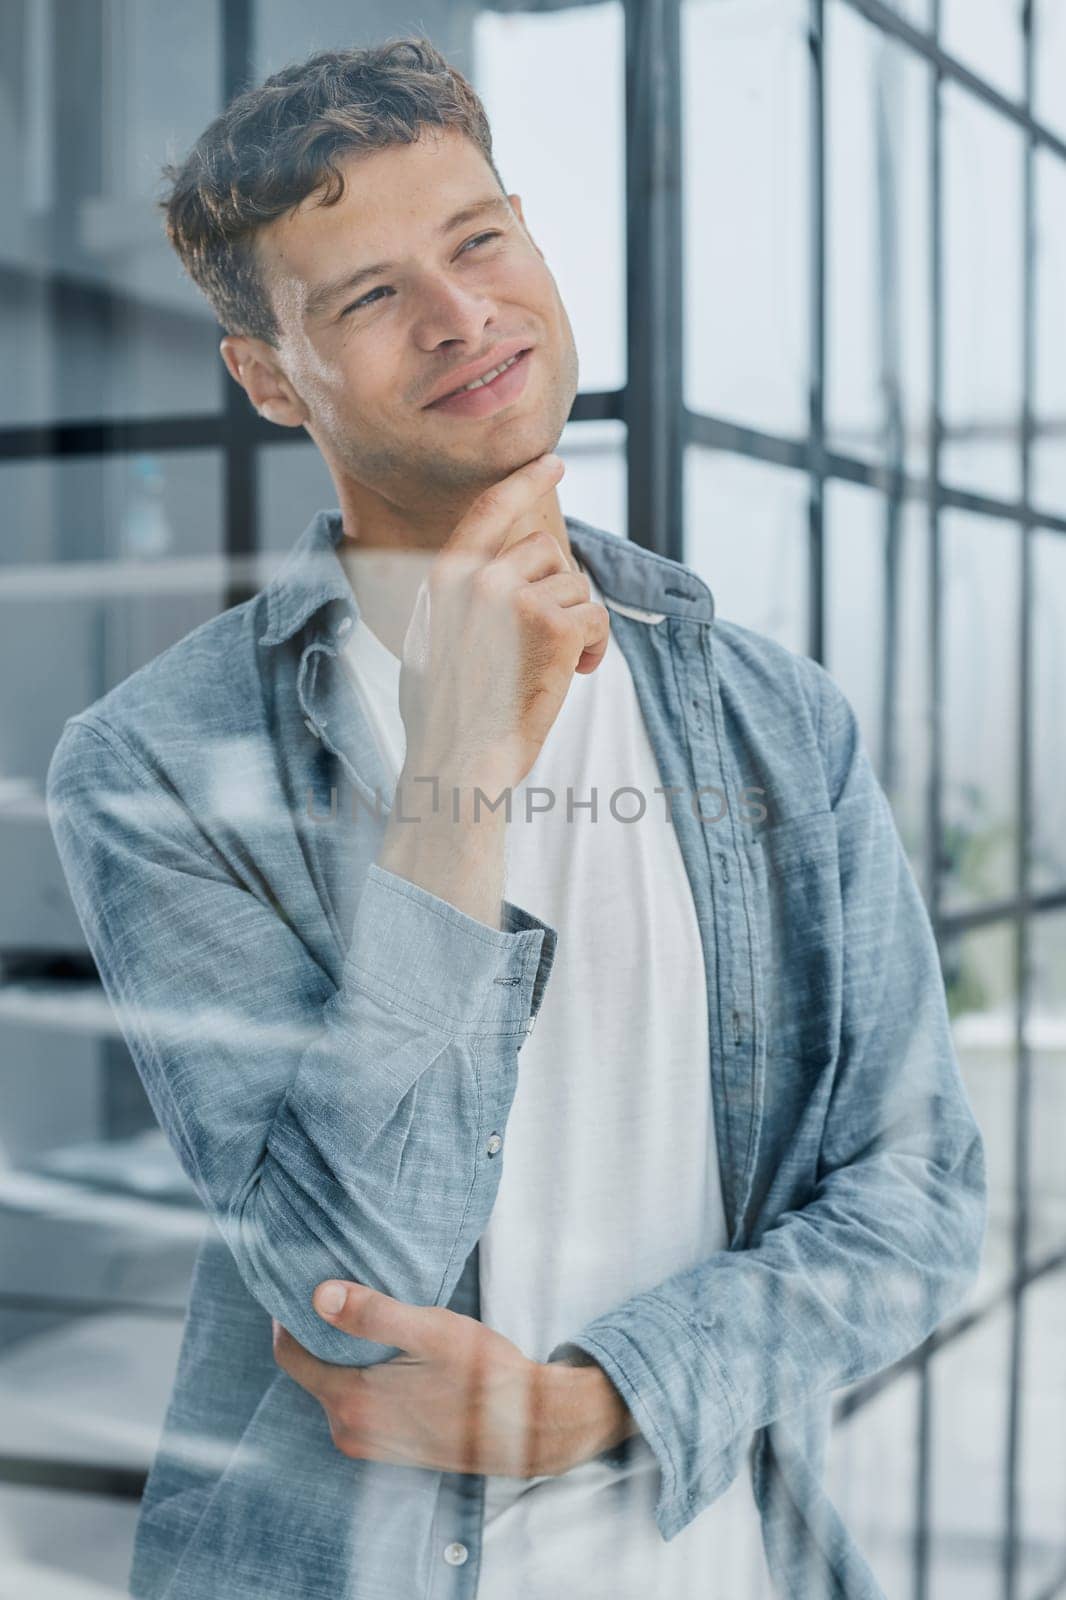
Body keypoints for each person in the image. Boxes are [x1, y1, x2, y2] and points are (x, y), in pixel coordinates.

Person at [45, 35, 986, 1600]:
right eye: (366, 296)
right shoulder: (149, 762)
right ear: (270, 377)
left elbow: (918, 1199)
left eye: (479, 241)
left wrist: (595, 1405)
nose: (462, 317)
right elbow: (352, 1270)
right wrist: (461, 763)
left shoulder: (772, 717)